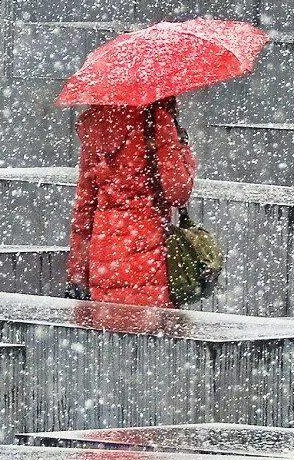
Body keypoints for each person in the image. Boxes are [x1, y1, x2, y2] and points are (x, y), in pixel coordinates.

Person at [66, 97, 197, 308]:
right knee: (149, 336)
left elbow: (84, 208)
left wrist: (78, 273)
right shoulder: (156, 119)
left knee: (110, 335)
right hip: (149, 258)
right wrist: (183, 149)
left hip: (104, 262)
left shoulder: (97, 124)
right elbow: (177, 192)